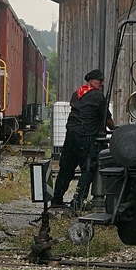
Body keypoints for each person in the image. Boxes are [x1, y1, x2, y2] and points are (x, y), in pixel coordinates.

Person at [51, 68, 115, 211]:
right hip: (86, 138)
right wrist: (115, 129)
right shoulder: (98, 96)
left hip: (71, 135)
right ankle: (77, 202)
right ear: (92, 81)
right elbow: (107, 119)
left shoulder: (77, 94)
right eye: (100, 81)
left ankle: (57, 199)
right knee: (88, 169)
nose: (102, 83)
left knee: (66, 168)